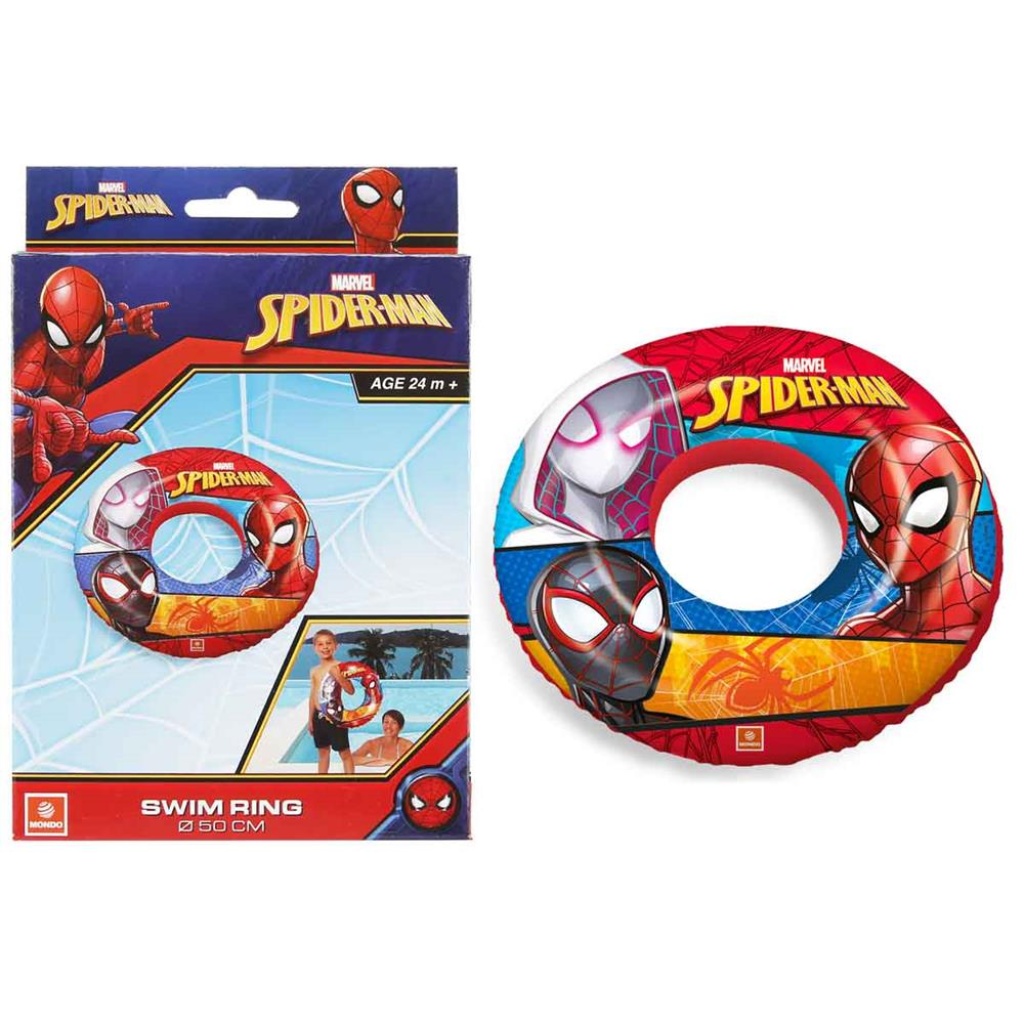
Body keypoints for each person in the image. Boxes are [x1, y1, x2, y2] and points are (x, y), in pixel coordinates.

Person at [308, 629, 355, 774]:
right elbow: (313, 695)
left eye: (328, 643)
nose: (325, 647)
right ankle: (321, 784)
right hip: (318, 716)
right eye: (320, 644)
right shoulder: (314, 670)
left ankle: (351, 784)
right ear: (315, 648)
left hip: (335, 715)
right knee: (323, 753)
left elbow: (350, 690)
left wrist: (338, 676)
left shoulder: (340, 667)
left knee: (344, 753)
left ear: (336, 646)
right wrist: (310, 719)